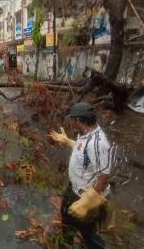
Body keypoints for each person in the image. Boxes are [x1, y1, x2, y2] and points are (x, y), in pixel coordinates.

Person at [50, 102, 114, 249]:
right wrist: (68, 141)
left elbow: (104, 177)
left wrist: (87, 201)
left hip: (88, 195)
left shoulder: (97, 143)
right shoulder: (85, 133)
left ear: (79, 120)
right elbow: (84, 153)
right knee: (67, 218)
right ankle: (65, 244)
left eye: (72, 120)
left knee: (87, 232)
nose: (70, 123)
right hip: (74, 189)